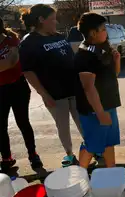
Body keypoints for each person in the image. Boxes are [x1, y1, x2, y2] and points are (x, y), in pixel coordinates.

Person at [19, 4, 82, 167]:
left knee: (83, 121)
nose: (56, 22)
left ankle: (92, 148)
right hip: (54, 93)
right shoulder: (29, 42)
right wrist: (44, 94)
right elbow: (28, 72)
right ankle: (69, 155)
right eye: (52, 19)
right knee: (63, 126)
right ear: (41, 20)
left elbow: (71, 58)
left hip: (74, 88)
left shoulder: (58, 36)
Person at [74, 12, 121, 169]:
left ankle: (111, 171)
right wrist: (100, 113)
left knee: (109, 141)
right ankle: (79, 176)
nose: (106, 32)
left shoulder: (101, 49)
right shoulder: (85, 55)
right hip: (94, 110)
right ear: (93, 33)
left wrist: (116, 61)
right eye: (103, 29)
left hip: (108, 104)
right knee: (92, 145)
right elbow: (89, 88)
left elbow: (114, 75)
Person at [0, 18, 43, 171]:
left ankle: (33, 155)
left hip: (18, 87)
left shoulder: (12, 41)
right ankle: (6, 158)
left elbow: (11, 62)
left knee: (23, 122)